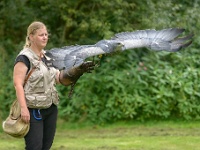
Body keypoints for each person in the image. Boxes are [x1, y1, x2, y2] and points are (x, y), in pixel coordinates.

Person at [13, 21, 94, 150]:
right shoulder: (24, 58)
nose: (45, 37)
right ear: (31, 37)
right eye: (41, 35)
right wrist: (23, 109)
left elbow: (60, 79)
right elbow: (18, 84)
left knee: (46, 147)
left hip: (50, 109)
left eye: (46, 34)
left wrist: (77, 70)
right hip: (33, 110)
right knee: (35, 147)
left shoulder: (47, 57)